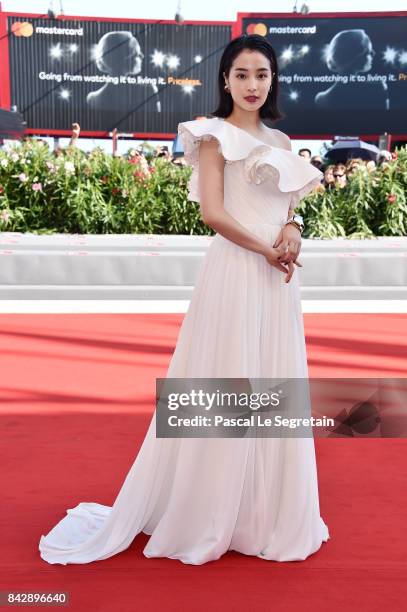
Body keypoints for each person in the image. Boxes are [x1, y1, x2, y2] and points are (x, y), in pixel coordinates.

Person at [39, 34, 329, 566]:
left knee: (270, 383)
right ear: (225, 79)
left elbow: (288, 208)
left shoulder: (284, 143)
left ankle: (261, 513)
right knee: (223, 377)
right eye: (241, 74)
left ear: (273, 81)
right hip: (237, 271)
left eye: (261, 74)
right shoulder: (212, 136)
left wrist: (293, 232)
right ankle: (205, 509)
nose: (251, 85)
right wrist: (267, 249)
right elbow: (214, 215)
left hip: (276, 276)